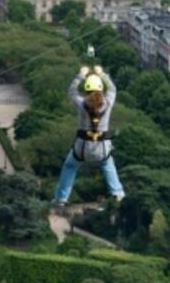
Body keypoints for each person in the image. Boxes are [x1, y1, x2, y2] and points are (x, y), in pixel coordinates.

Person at [53, 66, 124, 207]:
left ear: (86, 89)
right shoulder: (108, 103)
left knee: (70, 167)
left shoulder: (81, 103)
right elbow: (112, 89)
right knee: (108, 164)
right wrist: (102, 73)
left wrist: (81, 75)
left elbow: (71, 92)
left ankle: (61, 198)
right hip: (102, 148)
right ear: (101, 89)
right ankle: (118, 192)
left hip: (82, 147)